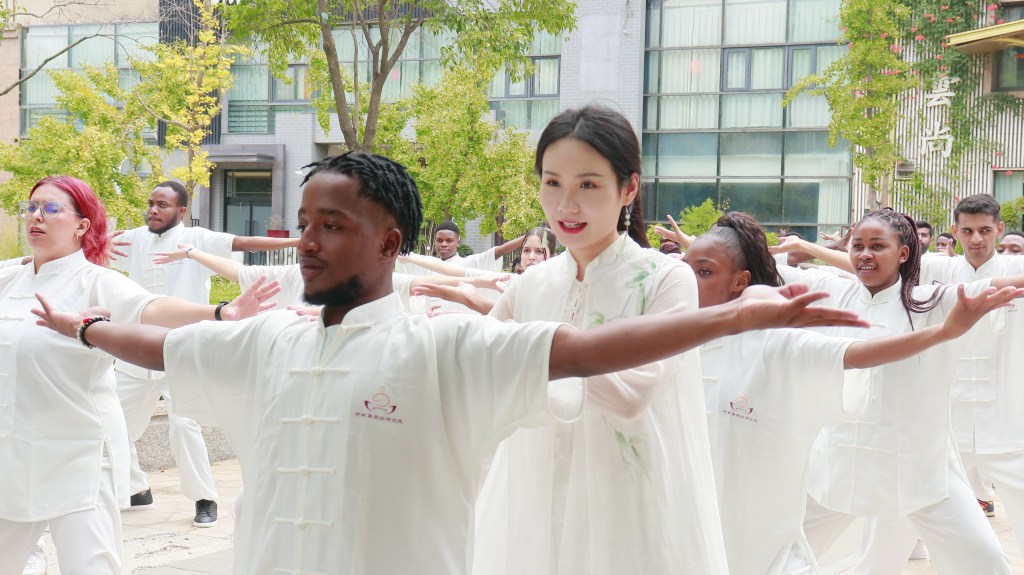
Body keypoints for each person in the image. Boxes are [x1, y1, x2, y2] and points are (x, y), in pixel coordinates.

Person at [31, 152, 867, 575]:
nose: (305, 242)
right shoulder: (266, 339)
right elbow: (164, 345)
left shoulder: (444, 349)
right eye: (302, 222)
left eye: (332, 225)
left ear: (391, 242)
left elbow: (583, 351)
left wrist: (718, 321)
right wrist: (84, 328)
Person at [683, 212, 1021, 575]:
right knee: (772, 551)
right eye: (858, 246)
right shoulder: (833, 292)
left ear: (904, 254)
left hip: (919, 468)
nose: (865, 255)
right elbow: (758, 270)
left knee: (985, 561)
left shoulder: (933, 302)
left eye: (878, 247)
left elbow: (1000, 285)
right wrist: (711, 250)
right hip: (835, 465)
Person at [472, 105, 727, 575]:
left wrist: (530, 350)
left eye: (588, 184)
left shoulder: (665, 278)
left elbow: (633, 393)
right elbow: (475, 359)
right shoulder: (532, 283)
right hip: (534, 493)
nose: (566, 205)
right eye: (553, 183)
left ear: (628, 187)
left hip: (625, 502)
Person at [0, 175, 274, 575]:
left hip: (77, 452)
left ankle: (202, 498)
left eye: (52, 208)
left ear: (81, 225)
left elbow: (152, 308)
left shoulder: (96, 280)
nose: (37, 216)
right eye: (33, 207)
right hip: (14, 450)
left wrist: (220, 311)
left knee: (91, 567)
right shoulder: (9, 278)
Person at [109, 181, 299, 527]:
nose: (153, 210)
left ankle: (203, 498)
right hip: (136, 349)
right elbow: (91, 250)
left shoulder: (198, 240)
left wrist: (300, 242)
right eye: (151, 203)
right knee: (113, 422)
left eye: (162, 205)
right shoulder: (134, 238)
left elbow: (245, 243)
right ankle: (136, 488)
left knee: (184, 425)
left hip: (183, 347)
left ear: (181, 211)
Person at [856, 195, 1024, 570]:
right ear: (955, 232)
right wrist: (805, 246)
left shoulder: (1015, 264)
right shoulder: (937, 269)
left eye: (984, 230)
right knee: (892, 517)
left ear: (999, 229)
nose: (976, 239)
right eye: (967, 231)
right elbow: (874, 266)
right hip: (945, 429)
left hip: (1010, 426)